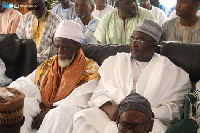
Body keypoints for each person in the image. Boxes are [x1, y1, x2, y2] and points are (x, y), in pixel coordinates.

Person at [73, 19, 191, 133]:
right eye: (132, 39)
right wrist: (109, 108)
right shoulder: (115, 62)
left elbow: (174, 109)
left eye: (140, 41)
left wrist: (139, 114)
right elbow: (99, 92)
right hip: (112, 115)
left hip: (144, 122)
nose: (133, 44)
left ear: (154, 46)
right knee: (85, 118)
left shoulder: (170, 71)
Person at [9, 20, 100, 133]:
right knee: (22, 107)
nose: (60, 52)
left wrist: (51, 111)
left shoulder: (90, 68)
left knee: (60, 113)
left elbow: (82, 97)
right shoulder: (50, 63)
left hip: (67, 110)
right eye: (57, 46)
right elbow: (29, 82)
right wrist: (10, 92)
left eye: (65, 47)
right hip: (43, 105)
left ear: (77, 46)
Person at [16, 0, 61, 64]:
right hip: (25, 60)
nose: (34, 11)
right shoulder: (25, 18)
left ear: (45, 4)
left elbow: (55, 47)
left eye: (37, 8)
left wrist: (37, 59)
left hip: (46, 62)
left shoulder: (56, 21)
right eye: (31, 8)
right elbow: (19, 39)